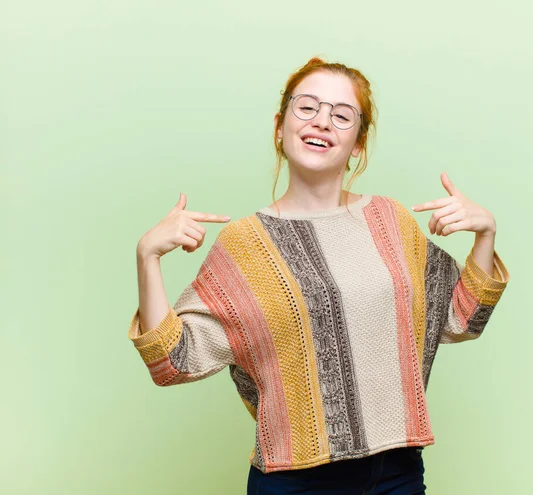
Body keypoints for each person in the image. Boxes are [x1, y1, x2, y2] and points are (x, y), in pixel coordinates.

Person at [128, 57, 511, 495]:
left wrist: (485, 233)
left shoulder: (391, 221)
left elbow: (464, 318)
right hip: (295, 481)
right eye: (307, 107)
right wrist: (147, 257)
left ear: (358, 145)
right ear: (280, 125)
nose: (323, 121)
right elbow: (172, 362)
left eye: (342, 115)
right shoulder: (245, 245)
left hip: (397, 473)